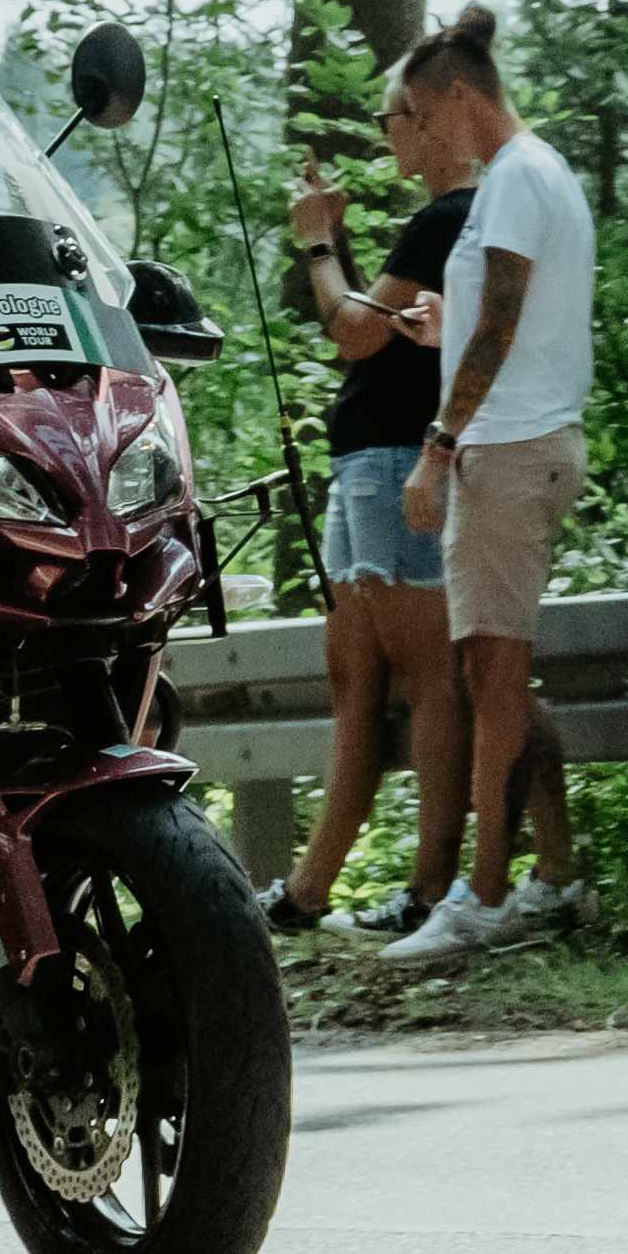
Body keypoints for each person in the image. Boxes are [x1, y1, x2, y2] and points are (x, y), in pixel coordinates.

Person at [381, 9, 597, 967]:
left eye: (422, 119)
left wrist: (437, 443)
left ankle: (488, 893)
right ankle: (553, 872)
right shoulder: (533, 176)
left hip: (505, 453)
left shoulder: (512, 181)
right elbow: (502, 317)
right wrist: (443, 326)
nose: (423, 140)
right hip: (519, 441)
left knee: (492, 680)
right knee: (497, 676)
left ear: (462, 99)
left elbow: (504, 322)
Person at [269, 161, 460, 939]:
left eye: (392, 122)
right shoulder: (439, 224)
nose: (388, 141)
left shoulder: (453, 214)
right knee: (354, 676)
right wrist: (336, 235)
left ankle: (431, 892)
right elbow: (375, 326)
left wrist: (318, 243)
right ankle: (308, 891)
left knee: (427, 678)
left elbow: (353, 331)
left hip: (392, 460)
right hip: (360, 464)